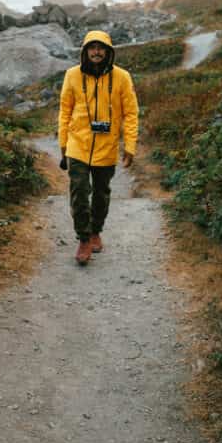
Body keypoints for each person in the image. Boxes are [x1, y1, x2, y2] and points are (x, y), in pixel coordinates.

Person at [58, 30, 138, 266]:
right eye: (91, 47)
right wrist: (63, 144)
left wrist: (130, 146)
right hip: (77, 145)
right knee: (80, 192)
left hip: (107, 146)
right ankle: (83, 238)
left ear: (108, 52)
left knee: (101, 194)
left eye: (101, 48)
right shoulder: (71, 75)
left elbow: (131, 114)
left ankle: (95, 231)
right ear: (85, 51)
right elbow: (64, 111)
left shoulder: (122, 77)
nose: (96, 52)